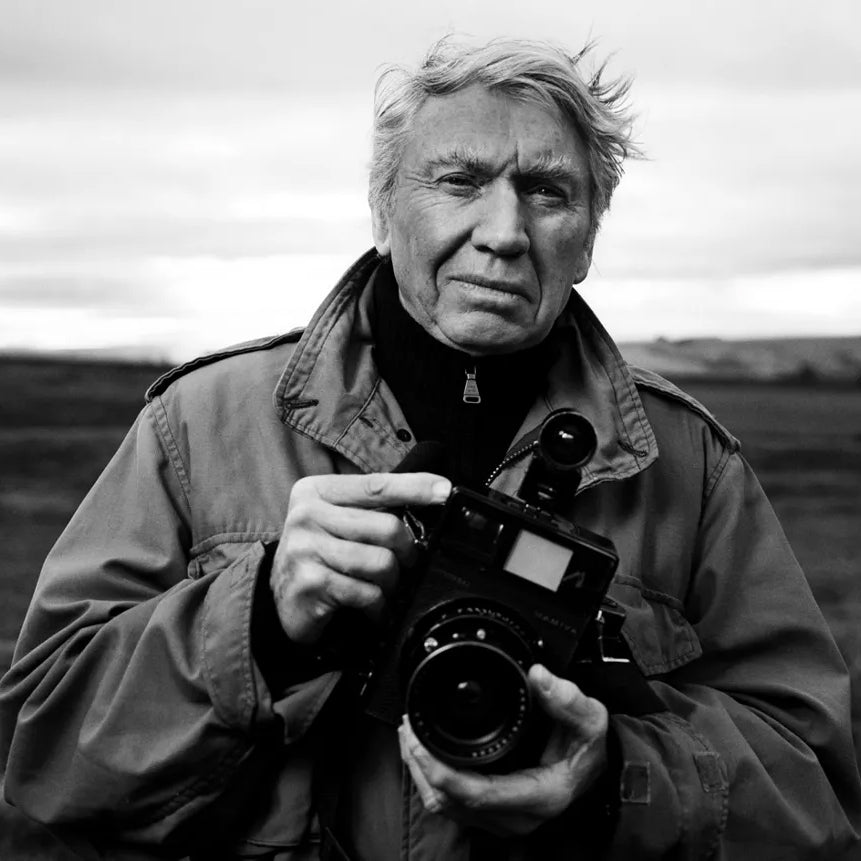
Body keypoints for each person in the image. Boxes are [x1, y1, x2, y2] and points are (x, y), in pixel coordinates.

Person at [1, 36, 859, 861]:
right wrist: (258, 619)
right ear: (383, 211)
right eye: (458, 180)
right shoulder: (198, 424)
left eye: (548, 193)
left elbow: (816, 794)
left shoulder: (690, 465)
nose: (504, 231)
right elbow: (41, 756)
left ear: (590, 236)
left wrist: (611, 777)